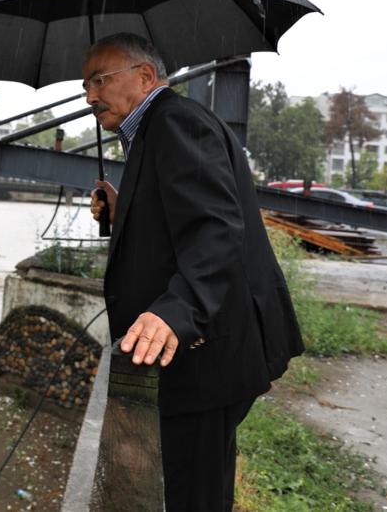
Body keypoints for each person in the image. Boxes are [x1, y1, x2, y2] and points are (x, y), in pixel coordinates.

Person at [84, 33, 304, 511]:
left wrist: (176, 311)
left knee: (193, 493)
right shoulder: (155, 129)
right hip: (197, 353)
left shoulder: (176, 123)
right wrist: (123, 212)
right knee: (193, 485)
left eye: (99, 80)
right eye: (86, 86)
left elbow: (216, 230)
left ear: (145, 76)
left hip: (204, 353)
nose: (90, 97)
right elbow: (181, 221)